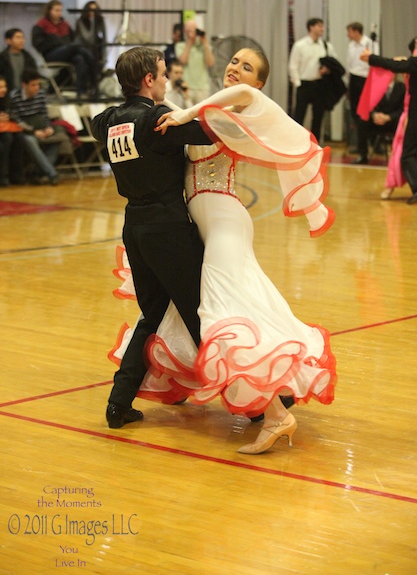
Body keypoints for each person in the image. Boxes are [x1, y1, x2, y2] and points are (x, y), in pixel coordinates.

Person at [111, 48, 337, 454]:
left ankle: (273, 413)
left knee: (218, 312)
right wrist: (160, 102)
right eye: (234, 61)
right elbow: (174, 114)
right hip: (203, 224)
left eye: (247, 67)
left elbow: (211, 107)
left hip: (224, 222)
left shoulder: (243, 105)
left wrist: (179, 111)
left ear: (260, 82)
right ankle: (260, 400)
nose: (236, 68)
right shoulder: (211, 114)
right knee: (207, 310)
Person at [90, 47, 213, 429]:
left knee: (153, 314)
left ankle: (118, 403)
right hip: (168, 228)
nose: (167, 80)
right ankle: (254, 402)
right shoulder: (156, 118)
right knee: (200, 315)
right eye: (162, 74)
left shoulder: (108, 121)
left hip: (135, 229)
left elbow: (97, 123)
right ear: (148, 80)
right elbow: (208, 132)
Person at [360, 28, 417, 204]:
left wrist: (372, 58)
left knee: (412, 153)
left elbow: (395, 65)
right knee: (413, 153)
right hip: (415, 114)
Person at [32, 0, 96, 98]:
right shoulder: (41, 25)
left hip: (67, 52)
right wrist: (57, 43)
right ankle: (94, 63)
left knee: (80, 58)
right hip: (50, 54)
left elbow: (73, 38)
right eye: (56, 10)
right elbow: (38, 44)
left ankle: (81, 92)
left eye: (60, 10)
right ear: (49, 11)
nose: (59, 13)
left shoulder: (64, 24)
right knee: (76, 48)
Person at [289, 17, 338, 142]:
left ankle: (315, 143)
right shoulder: (300, 45)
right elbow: (293, 65)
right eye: (319, 26)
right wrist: (298, 84)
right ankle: (295, 142)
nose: (322, 29)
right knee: (299, 115)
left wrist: (327, 70)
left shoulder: (326, 46)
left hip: (320, 84)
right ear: (311, 27)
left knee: (318, 116)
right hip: (304, 84)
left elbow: (334, 63)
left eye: (322, 26)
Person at [10, 69, 60, 185]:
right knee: (30, 141)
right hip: (26, 131)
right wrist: (33, 132)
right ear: (24, 85)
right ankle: (52, 174)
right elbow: (17, 121)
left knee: (58, 139)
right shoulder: (15, 97)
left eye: (38, 84)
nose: (36, 87)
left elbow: (44, 114)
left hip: (41, 126)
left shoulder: (41, 95)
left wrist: (48, 128)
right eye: (33, 85)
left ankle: (37, 172)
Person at [346, 22, 379, 164]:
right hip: (354, 79)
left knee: (364, 115)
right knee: (355, 114)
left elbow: (375, 61)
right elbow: (349, 64)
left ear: (356, 31)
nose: (348, 35)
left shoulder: (370, 43)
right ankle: (361, 147)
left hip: (365, 80)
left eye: (349, 31)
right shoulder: (351, 45)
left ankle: (367, 147)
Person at [175, 19, 215, 103]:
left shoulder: (203, 46)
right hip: (187, 86)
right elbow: (183, 61)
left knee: (201, 113)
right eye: (189, 30)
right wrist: (189, 42)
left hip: (202, 87)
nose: (192, 32)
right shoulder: (180, 45)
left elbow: (210, 62)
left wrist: (204, 42)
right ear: (185, 31)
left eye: (194, 29)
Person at [75, 0, 107, 81]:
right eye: (90, 10)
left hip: (96, 51)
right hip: (84, 50)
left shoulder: (100, 21)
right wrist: (93, 22)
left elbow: (104, 39)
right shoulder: (81, 21)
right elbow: (88, 38)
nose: (92, 12)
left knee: (98, 63)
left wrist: (104, 57)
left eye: (95, 10)